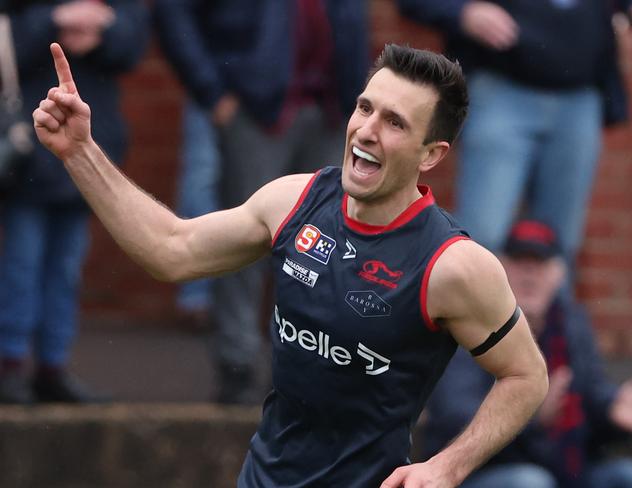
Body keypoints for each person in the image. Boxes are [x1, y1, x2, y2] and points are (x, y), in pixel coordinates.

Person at [33, 42, 548, 487]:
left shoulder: (453, 266)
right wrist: (80, 152)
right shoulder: (294, 200)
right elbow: (172, 250)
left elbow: (526, 377)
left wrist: (447, 468)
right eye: (365, 108)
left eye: (394, 123)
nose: (367, 131)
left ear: (430, 154)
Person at [152, 0, 370, 403]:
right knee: (243, 242)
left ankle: (305, 374)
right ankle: (236, 368)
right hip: (255, 107)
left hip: (331, 110)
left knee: (324, 252)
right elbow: (172, 12)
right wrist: (212, 93)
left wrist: (358, 100)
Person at [397, 0, 632, 276]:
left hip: (580, 97)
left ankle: (554, 320)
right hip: (501, 88)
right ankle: (468, 316)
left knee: (559, 248)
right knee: (481, 238)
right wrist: (461, 11)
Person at [421, 219, 632, 488]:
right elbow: (453, 417)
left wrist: (613, 408)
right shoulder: (470, 322)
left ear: (559, 275)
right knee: (531, 483)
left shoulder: (571, 326)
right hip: (484, 473)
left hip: (562, 466)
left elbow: (591, 393)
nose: (530, 272)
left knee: (628, 476)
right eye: (519, 261)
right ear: (499, 270)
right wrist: (530, 416)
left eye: (540, 263)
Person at [0, 0, 148, 404]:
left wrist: (103, 27)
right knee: (21, 263)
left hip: (89, 145)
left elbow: (133, 44)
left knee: (66, 267)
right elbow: (11, 42)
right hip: (28, 147)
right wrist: (55, 20)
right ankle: (10, 366)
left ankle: (52, 367)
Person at [173, 99, 222, 333]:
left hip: (272, 103)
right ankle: (195, 298)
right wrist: (211, 91)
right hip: (214, 96)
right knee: (201, 187)